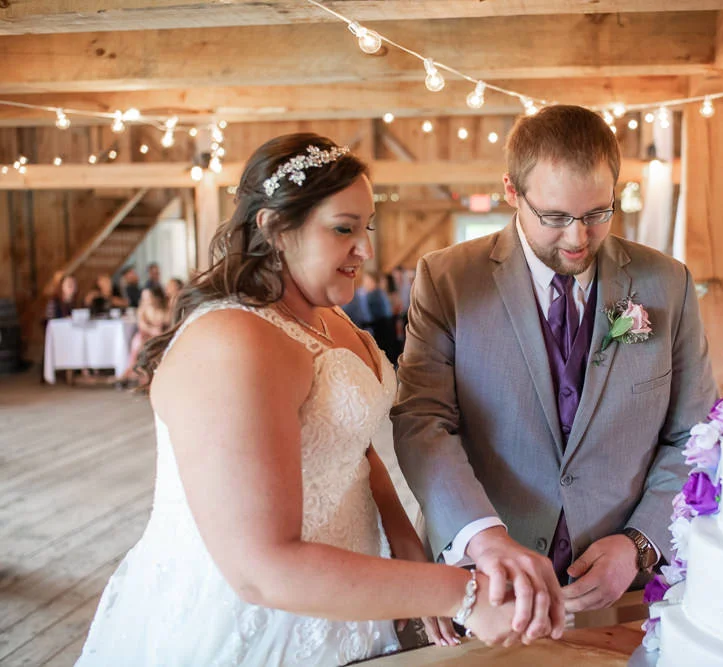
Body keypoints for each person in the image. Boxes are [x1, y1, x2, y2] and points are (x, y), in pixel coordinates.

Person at [77, 134, 533, 666]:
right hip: (255, 622)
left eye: (366, 228)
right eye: (343, 229)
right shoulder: (232, 343)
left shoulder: (325, 318)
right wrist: (462, 595)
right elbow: (260, 570)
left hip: (347, 596)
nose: (365, 250)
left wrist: (406, 545)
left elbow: (351, 445)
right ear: (275, 227)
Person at [392, 106, 717, 627]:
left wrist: (638, 543)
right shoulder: (448, 280)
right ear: (512, 190)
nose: (577, 238)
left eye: (597, 214)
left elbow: (692, 436)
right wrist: (482, 537)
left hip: (623, 593)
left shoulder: (667, 283)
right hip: (486, 588)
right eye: (555, 217)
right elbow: (422, 423)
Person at [118, 285, 169, 386]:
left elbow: (167, 322)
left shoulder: (164, 309)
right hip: (146, 335)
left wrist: (159, 331)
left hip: (161, 335)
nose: (146, 300)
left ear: (155, 297)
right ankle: (130, 372)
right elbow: (142, 325)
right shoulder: (143, 309)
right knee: (138, 343)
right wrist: (152, 330)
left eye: (148, 297)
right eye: (144, 298)